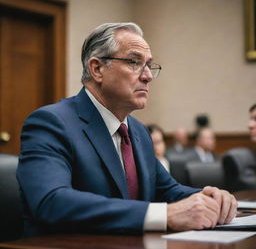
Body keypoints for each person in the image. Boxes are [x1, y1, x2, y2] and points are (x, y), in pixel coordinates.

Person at [16, 22, 237, 237]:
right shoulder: (51, 122)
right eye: (134, 62)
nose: (148, 76)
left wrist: (209, 197)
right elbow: (51, 202)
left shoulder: (138, 131)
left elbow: (166, 190)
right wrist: (165, 215)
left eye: (149, 65)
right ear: (97, 69)